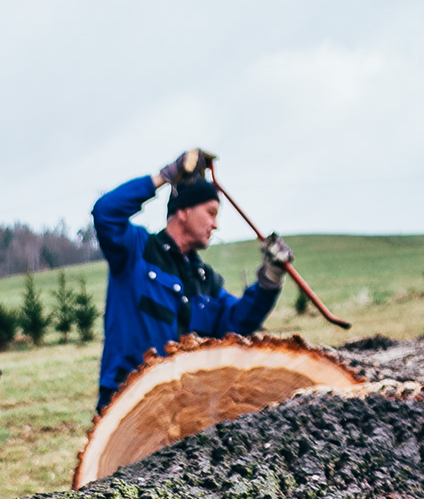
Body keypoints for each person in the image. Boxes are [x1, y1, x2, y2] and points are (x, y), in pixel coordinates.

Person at [93, 149, 291, 411]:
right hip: (126, 400)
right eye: (210, 212)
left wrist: (270, 279)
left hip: (180, 404)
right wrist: (163, 177)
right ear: (183, 211)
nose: (216, 224)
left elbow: (236, 321)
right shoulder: (135, 251)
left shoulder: (204, 278)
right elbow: (105, 213)